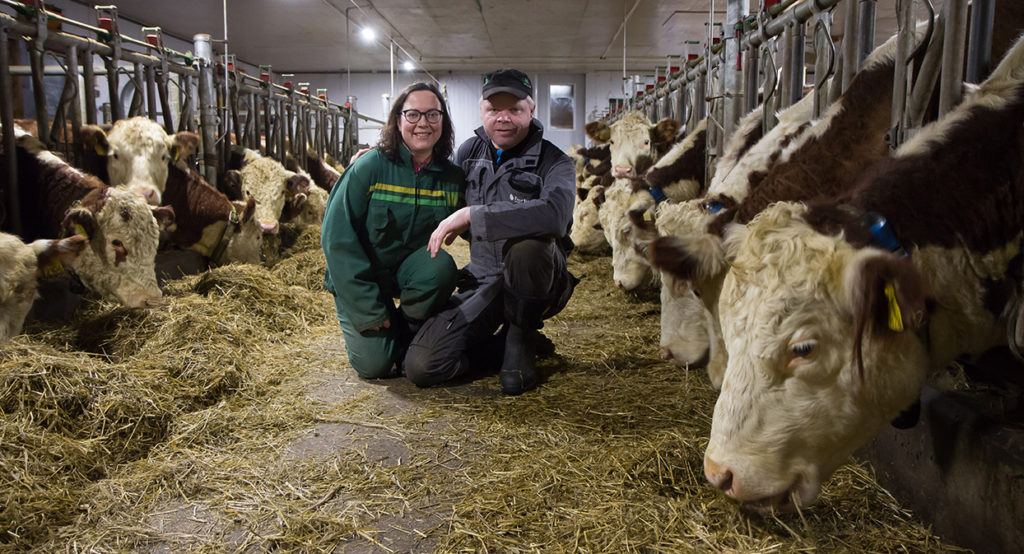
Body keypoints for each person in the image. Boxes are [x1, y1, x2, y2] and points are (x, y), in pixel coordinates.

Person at [403, 68, 577, 395]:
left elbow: (555, 216)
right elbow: (433, 190)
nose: (503, 118)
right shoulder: (468, 154)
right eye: (494, 109)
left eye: (514, 109)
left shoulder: (556, 162)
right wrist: (389, 161)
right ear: (482, 110)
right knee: (422, 367)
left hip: (538, 280)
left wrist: (475, 215)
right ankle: (498, 348)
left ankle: (521, 333)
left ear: (531, 110)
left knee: (528, 246)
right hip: (483, 278)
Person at [321, 82, 464, 379]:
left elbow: (477, 224)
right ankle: (385, 328)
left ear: (443, 122)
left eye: (433, 115)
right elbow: (337, 241)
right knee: (376, 367)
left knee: (439, 267)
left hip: (408, 275)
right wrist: (368, 310)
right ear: (398, 121)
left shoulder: (452, 178)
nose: (423, 123)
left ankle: (405, 328)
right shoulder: (369, 167)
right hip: (360, 279)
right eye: (413, 114)